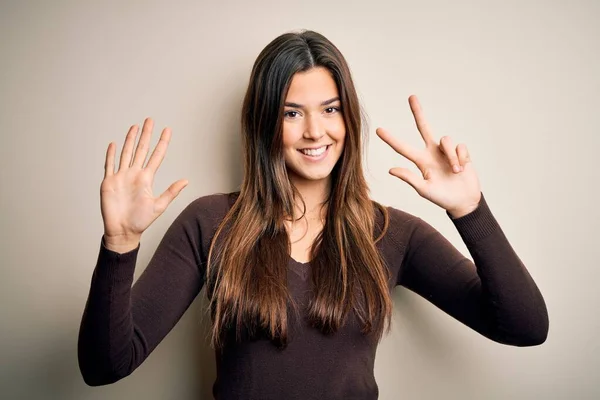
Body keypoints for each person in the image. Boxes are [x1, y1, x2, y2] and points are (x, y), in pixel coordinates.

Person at [77, 30, 548, 399]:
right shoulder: (210, 223)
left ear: (348, 118)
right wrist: (119, 245)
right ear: (264, 123)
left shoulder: (392, 233)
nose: (315, 131)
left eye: (330, 109)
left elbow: (525, 326)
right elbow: (106, 366)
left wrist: (470, 211)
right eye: (291, 113)